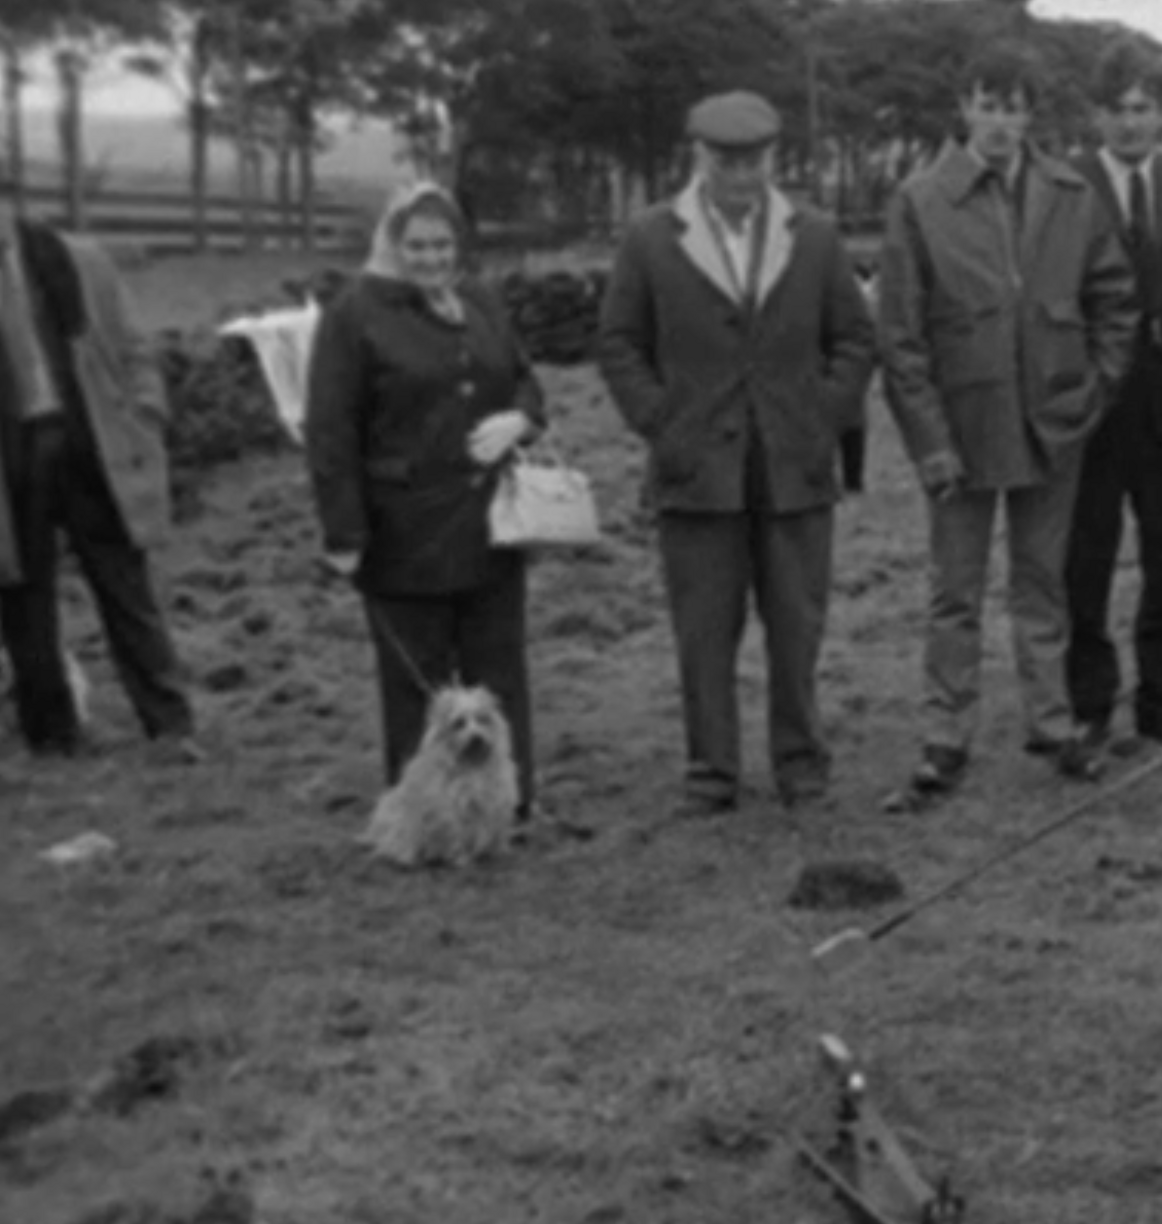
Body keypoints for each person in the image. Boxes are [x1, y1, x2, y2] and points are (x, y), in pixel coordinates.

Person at [596, 90, 875, 815]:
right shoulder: (650, 237)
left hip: (793, 467)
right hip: (696, 471)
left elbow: (853, 338)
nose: (741, 175)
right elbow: (619, 342)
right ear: (700, 156)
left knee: (798, 625)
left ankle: (801, 764)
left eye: (753, 161)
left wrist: (822, 417)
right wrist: (662, 422)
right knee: (703, 630)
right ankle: (711, 772)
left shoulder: (815, 236)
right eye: (726, 161)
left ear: (772, 158)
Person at [879, 47, 1138, 802]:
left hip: (1054, 424)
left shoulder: (1071, 195)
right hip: (961, 430)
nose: (999, 123)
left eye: (1013, 108)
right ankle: (945, 737)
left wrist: (1093, 392)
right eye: (987, 106)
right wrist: (929, 442)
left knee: (1042, 584)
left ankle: (1053, 726)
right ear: (964, 107)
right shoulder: (920, 201)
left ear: (1031, 115)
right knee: (954, 592)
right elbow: (900, 337)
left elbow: (1115, 301)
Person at [305, 184, 546, 814]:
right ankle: (424, 816)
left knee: (499, 675)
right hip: (404, 533)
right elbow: (330, 429)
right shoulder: (354, 314)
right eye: (416, 246)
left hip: (490, 526)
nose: (432, 258)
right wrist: (344, 533)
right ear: (392, 244)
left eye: (442, 244)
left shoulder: (479, 301)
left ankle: (506, 807)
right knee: (417, 684)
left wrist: (520, 420)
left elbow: (524, 379)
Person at [1, 200, 199, 761]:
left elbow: (133, 344)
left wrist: (146, 410)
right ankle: (52, 735)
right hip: (12, 456)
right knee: (22, 599)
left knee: (125, 587)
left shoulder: (76, 261)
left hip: (89, 441)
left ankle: (170, 724)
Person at [1063, 50, 1162, 756]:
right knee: (1084, 565)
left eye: (1142, 108)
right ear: (1096, 114)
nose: (1129, 122)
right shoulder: (1065, 185)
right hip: (1091, 410)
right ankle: (1090, 703)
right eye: (1116, 109)